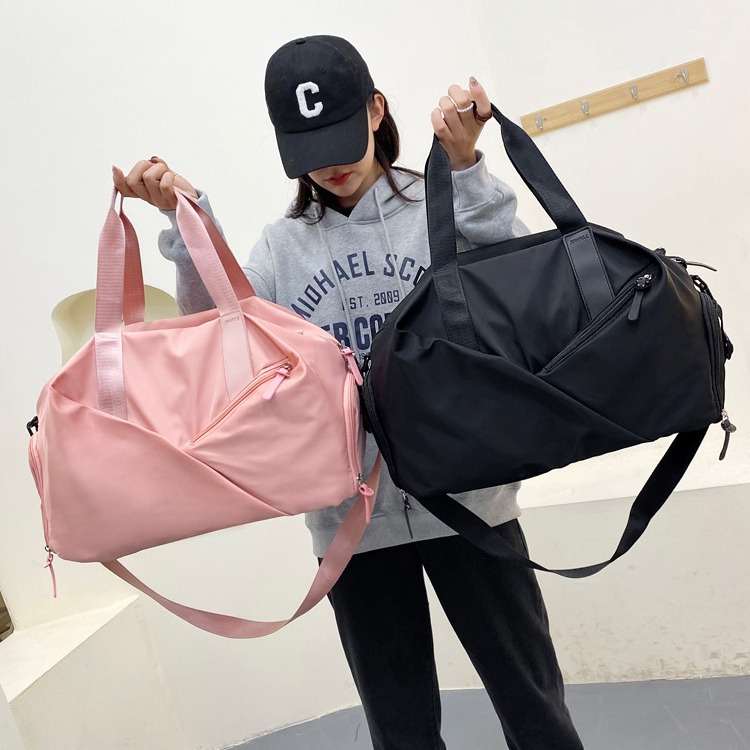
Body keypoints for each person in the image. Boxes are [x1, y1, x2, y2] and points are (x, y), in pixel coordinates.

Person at [113, 34, 583, 750]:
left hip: (471, 500)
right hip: (352, 527)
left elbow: (521, 280)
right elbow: (221, 336)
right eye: (308, 150)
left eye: (340, 137)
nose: (330, 165)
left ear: (375, 110)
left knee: (535, 710)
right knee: (401, 731)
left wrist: (466, 169)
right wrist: (189, 224)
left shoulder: (437, 202)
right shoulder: (281, 248)